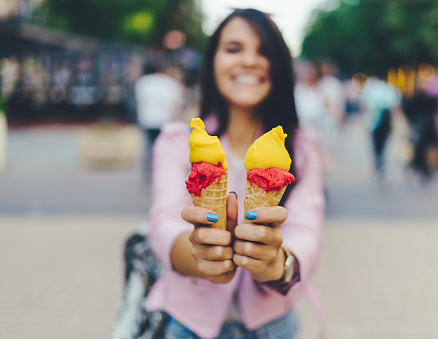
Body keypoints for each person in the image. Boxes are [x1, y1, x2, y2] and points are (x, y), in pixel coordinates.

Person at [146, 9, 325, 339]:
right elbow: (164, 222)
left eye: (264, 51)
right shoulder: (177, 141)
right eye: (233, 49)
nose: (249, 61)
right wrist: (200, 254)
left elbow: (307, 230)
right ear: (212, 61)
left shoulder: (301, 146)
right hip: (188, 323)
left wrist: (279, 265)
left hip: (274, 326)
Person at [134, 58, 186, 182]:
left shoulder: (142, 82)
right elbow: (175, 104)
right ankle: (160, 173)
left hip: (146, 119)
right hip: (164, 121)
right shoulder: (169, 83)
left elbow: (138, 101)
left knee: (148, 147)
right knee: (162, 148)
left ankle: (148, 173)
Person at [360, 76, 401, 179]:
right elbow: (395, 106)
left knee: (375, 143)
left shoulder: (368, 90)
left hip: (373, 121)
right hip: (386, 120)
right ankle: (380, 160)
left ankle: (378, 161)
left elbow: (364, 106)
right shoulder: (389, 89)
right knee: (383, 142)